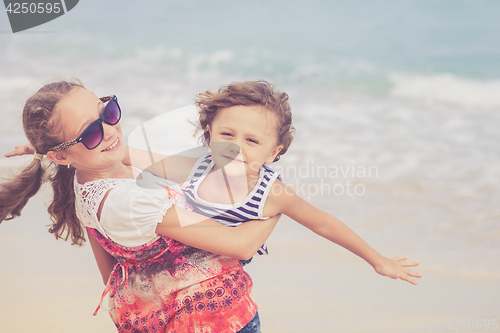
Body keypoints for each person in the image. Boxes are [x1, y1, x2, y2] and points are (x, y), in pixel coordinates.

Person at [0, 80, 281, 333]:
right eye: (90, 133)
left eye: (107, 112)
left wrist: (48, 149)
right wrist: (277, 199)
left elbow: (109, 276)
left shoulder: (90, 175)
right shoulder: (132, 202)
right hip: (216, 320)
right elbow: (241, 245)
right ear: (61, 156)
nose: (110, 131)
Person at [130, 80, 422, 285]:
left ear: (274, 152)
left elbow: (323, 223)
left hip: (224, 288)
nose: (235, 148)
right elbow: (136, 159)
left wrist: (376, 259)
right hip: (176, 279)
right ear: (209, 134)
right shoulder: (195, 166)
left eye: (252, 141)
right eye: (226, 135)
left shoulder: (271, 193)